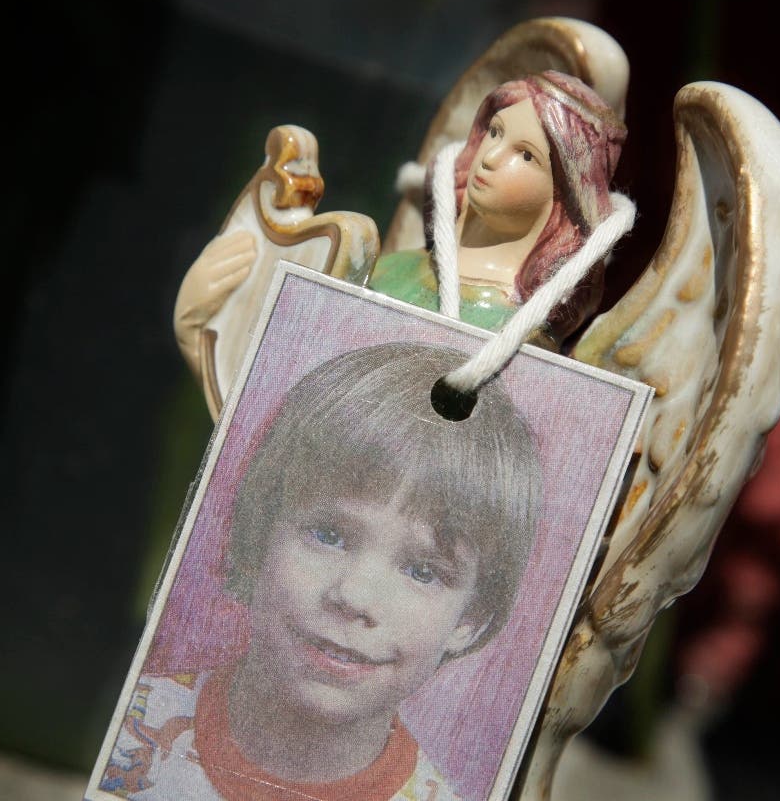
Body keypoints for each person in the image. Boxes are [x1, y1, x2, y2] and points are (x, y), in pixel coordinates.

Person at [99, 343, 542, 801]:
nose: (354, 597)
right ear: (261, 531)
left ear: (472, 618)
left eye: (422, 571)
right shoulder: (133, 728)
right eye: (328, 536)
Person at [369, 70, 627, 348]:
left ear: (565, 191)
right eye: (495, 132)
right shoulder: (391, 267)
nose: (490, 157)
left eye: (527, 155)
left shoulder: (521, 338)